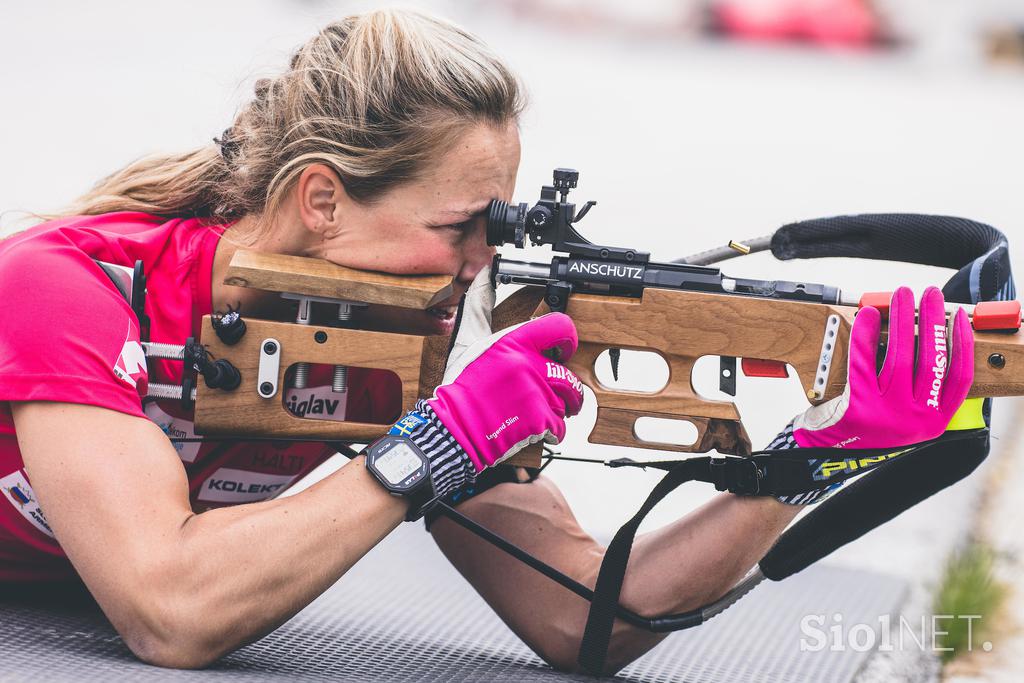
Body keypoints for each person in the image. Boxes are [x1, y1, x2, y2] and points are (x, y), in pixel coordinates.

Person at [0, 8, 973, 676]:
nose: (479, 264)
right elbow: (167, 609)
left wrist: (812, 458)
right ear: (323, 201)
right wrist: (427, 450)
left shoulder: (389, 334)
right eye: (460, 226)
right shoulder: (70, 290)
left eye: (496, 232)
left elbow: (584, 614)